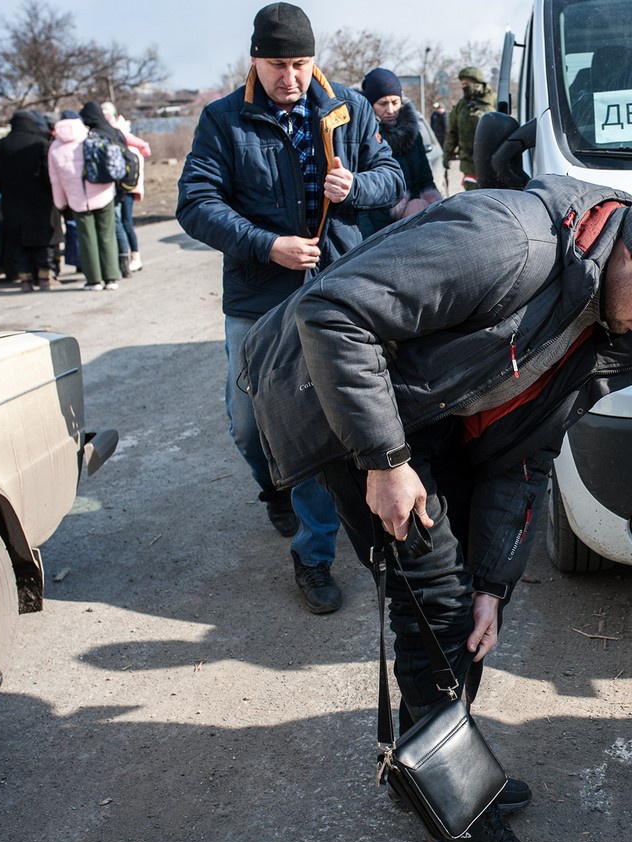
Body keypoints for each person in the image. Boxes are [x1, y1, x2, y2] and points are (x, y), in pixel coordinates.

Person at [243, 176, 632, 842]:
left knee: (466, 597)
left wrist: (495, 585)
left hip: (425, 408)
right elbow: (332, 312)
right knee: (434, 601)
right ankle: (455, 805)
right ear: (631, 255)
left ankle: (434, 763)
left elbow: (525, 457)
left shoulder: (599, 319)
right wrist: (386, 462)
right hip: (341, 395)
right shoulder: (511, 242)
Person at [177, 2, 404, 614]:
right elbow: (195, 202)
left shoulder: (349, 108)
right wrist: (265, 245)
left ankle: (317, 554)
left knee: (337, 425)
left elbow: (394, 178)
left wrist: (358, 186)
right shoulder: (224, 120)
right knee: (253, 427)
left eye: (301, 63)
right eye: (279, 64)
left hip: (340, 291)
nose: (291, 77)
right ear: (255, 60)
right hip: (260, 298)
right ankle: (272, 485)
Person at [357, 67, 443, 237]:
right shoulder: (361, 138)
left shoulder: (412, 133)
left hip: (416, 219)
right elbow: (362, 200)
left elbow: (426, 179)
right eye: (383, 103)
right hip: (380, 227)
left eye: (395, 102)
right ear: (369, 104)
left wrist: (430, 206)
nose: (390, 110)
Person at [0, 109, 62, 290]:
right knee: (43, 241)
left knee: (19, 243)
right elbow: (48, 173)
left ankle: (26, 280)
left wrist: (6, 189)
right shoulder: (40, 143)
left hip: (12, 203)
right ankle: (45, 278)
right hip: (41, 201)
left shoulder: (1, 145)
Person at [48, 107, 121, 291]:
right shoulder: (88, 136)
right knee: (107, 235)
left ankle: (93, 280)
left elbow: (55, 180)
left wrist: (60, 202)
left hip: (77, 200)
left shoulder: (55, 147)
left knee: (86, 238)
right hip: (102, 193)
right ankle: (111, 277)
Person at [101, 101, 151, 274]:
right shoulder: (121, 133)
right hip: (130, 184)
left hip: (127, 185)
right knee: (124, 221)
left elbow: (145, 148)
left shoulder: (117, 132)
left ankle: (134, 257)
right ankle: (133, 257)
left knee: (124, 222)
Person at [443, 66, 494, 191]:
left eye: (467, 83)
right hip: (468, 162)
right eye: (462, 84)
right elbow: (452, 133)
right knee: (473, 198)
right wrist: (447, 155)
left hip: (492, 160)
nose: (464, 87)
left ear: (477, 83)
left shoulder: (493, 101)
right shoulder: (461, 106)